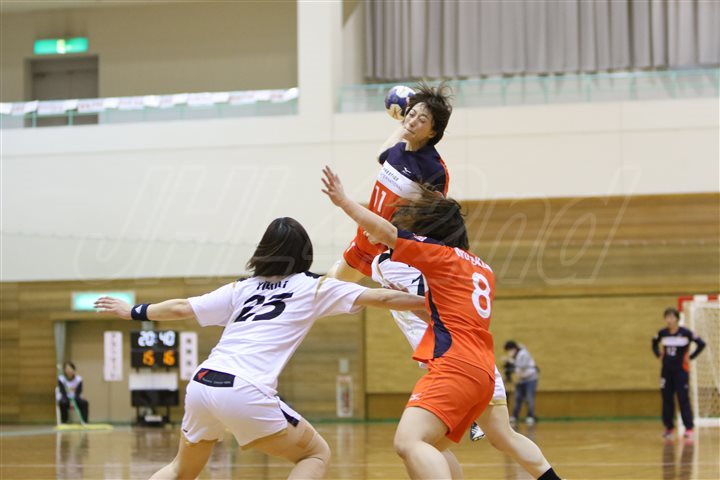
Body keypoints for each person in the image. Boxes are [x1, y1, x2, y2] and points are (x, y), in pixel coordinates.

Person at [94, 217, 425, 480]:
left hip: (203, 383)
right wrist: (432, 301)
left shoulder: (242, 288)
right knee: (315, 454)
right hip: (245, 389)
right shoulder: (313, 287)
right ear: (305, 254)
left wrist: (133, 311)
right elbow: (383, 297)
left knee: (181, 470)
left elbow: (181, 307)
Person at [323, 166, 497, 479]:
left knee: (408, 442)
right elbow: (439, 313)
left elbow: (386, 233)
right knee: (431, 448)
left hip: (454, 366)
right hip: (482, 372)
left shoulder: (438, 255)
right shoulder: (480, 268)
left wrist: (343, 201)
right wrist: (409, 301)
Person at [371, 254, 561, 480]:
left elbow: (388, 295)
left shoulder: (411, 264)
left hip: (456, 364)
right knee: (500, 436)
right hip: (479, 363)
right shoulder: (463, 270)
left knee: (417, 442)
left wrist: (404, 300)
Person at [328, 82, 452, 282]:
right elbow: (380, 155)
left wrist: (393, 235)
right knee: (333, 285)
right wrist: (405, 124)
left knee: (397, 301)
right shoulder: (397, 150)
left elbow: (435, 220)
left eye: (422, 120)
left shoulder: (433, 168)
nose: (412, 121)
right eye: (411, 114)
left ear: (432, 132)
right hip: (366, 237)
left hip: (394, 248)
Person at [652, 307, 706, 440]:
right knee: (667, 399)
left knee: (683, 398)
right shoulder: (662, 333)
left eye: (671, 317)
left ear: (677, 318)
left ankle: (689, 428)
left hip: (681, 371)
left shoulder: (685, 332)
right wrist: (658, 354)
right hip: (666, 371)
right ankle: (669, 428)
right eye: (667, 317)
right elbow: (654, 343)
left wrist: (690, 357)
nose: (669, 320)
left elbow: (701, 344)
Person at [504, 340, 540, 425]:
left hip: (530, 379)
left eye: (509, 350)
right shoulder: (516, 356)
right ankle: (514, 416)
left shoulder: (523, 354)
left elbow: (521, 367)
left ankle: (531, 416)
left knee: (529, 398)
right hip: (521, 380)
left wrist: (511, 362)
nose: (509, 353)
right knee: (518, 398)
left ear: (513, 348)